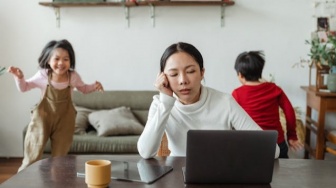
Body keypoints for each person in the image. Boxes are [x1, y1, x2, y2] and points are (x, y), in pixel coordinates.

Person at [137, 42, 280, 159]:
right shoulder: (160, 104)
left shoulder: (225, 102)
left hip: (220, 173)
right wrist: (166, 103)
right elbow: (145, 152)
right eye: (174, 74)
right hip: (177, 175)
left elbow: (272, 150)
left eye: (191, 71)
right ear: (163, 77)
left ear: (202, 73)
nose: (183, 81)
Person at [8, 39, 104, 172]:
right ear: (48, 60)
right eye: (57, 58)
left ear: (71, 61)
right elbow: (24, 87)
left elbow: (83, 89)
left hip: (64, 121)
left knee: (59, 160)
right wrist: (19, 78)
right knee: (32, 157)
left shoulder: (73, 77)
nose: (61, 63)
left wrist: (94, 86)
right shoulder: (42, 75)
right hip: (42, 119)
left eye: (66, 59)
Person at [232, 51, 303, 158]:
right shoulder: (275, 89)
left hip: (250, 145)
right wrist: (291, 135)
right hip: (277, 143)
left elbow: (232, 118)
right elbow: (289, 111)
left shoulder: (237, 94)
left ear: (240, 75)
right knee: (281, 173)